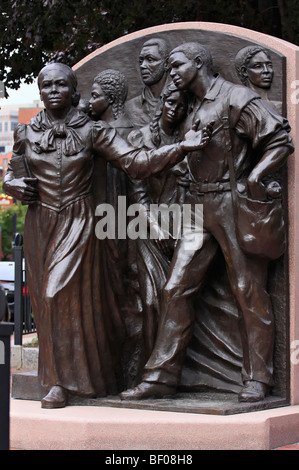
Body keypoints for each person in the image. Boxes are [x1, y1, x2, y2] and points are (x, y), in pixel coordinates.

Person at [3, 62, 212, 408]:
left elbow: (136, 163)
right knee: (46, 306)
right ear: (39, 91)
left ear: (73, 90)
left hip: (79, 220)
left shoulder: (93, 131)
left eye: (61, 85)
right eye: (46, 85)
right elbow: (13, 172)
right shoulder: (26, 132)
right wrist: (13, 185)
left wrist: (182, 147)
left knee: (57, 295)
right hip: (39, 222)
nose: (53, 91)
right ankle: (78, 381)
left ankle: (61, 385)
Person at [120, 42, 294, 403]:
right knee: (175, 287)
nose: (171, 73)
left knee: (248, 289)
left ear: (198, 63)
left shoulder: (236, 97)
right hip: (198, 207)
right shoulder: (191, 106)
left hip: (232, 204)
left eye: (176, 65)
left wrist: (255, 177)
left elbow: (279, 139)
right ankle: (161, 377)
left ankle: (258, 378)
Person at [127, 82, 189, 376]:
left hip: (181, 225)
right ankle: (148, 374)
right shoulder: (141, 138)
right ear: (162, 102)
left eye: (181, 106)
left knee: (174, 298)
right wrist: (156, 229)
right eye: (170, 103)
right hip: (148, 228)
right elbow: (137, 194)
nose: (174, 110)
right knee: (151, 300)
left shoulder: (188, 139)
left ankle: (173, 373)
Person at [125, 38, 169, 127]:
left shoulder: (179, 101)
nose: (143, 66)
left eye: (150, 60)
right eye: (141, 61)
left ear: (166, 63)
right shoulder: (129, 107)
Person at [235, 45, 282, 114]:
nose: (266, 71)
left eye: (269, 66)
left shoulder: (279, 107)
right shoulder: (238, 105)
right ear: (244, 71)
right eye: (258, 66)